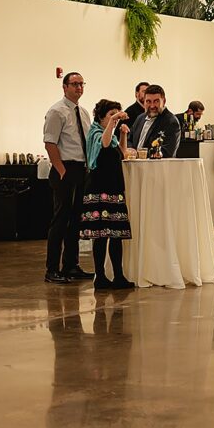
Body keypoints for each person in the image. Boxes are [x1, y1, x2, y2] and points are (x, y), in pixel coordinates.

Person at [43, 72, 93, 284]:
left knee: (76, 221)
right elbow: (50, 143)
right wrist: (62, 170)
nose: (79, 87)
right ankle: (52, 269)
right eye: (74, 84)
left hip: (81, 169)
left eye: (82, 84)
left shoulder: (83, 112)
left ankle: (71, 265)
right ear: (64, 87)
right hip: (65, 169)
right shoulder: (57, 111)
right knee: (60, 220)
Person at [80, 99, 134, 290]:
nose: (114, 118)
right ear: (101, 116)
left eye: (116, 114)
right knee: (101, 235)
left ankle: (119, 276)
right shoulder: (96, 133)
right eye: (111, 115)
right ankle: (100, 276)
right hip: (99, 189)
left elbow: (122, 152)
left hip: (114, 188)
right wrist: (114, 121)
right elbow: (103, 144)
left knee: (116, 234)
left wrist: (122, 133)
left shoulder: (111, 135)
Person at [128, 84, 180, 157]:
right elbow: (129, 139)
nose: (152, 106)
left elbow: (167, 152)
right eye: (148, 101)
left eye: (156, 101)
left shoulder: (171, 122)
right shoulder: (140, 118)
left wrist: (140, 155)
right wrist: (130, 150)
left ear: (164, 101)